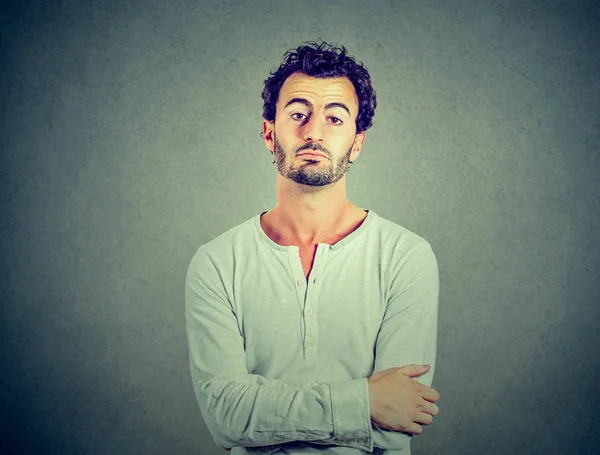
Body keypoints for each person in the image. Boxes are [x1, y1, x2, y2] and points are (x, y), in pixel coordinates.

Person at [185, 41, 441, 455]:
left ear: (357, 142)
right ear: (270, 133)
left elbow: (399, 421)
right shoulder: (216, 263)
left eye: (335, 118)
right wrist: (364, 403)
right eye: (298, 114)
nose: (314, 131)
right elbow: (225, 417)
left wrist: (265, 414)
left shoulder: (406, 256)